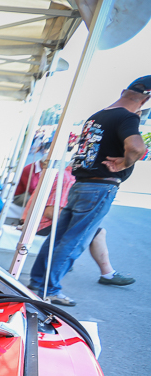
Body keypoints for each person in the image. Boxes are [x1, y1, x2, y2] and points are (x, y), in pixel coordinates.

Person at [28, 76, 150, 306]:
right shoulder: (127, 117)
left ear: (125, 90)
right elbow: (136, 147)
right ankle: (49, 289)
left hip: (81, 183)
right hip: (100, 185)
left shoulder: (98, 115)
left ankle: (37, 283)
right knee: (74, 241)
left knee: (59, 238)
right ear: (146, 99)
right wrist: (125, 163)